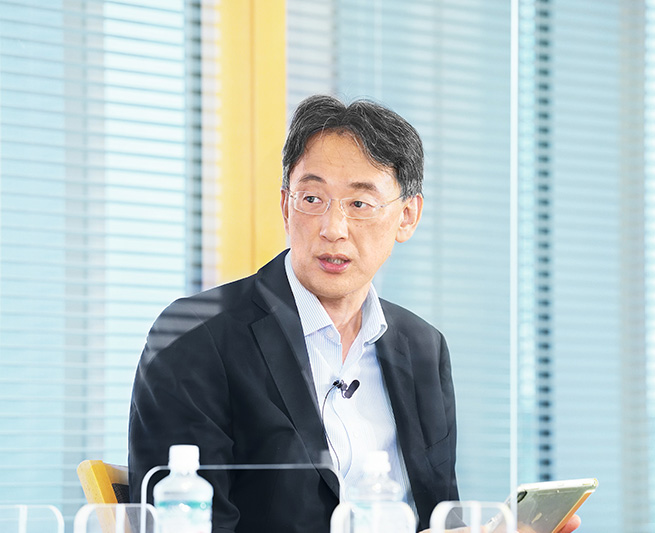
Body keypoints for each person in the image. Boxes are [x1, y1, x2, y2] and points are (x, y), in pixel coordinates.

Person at [128, 94, 581, 533]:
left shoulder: (423, 349)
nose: (333, 228)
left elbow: (440, 513)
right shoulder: (195, 336)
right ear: (286, 206)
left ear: (407, 216)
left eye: (359, 204)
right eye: (312, 198)